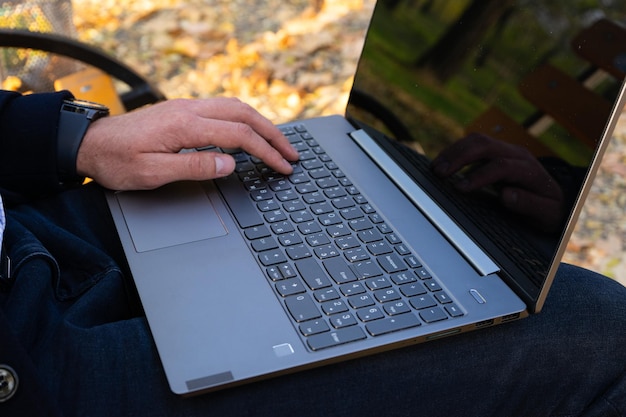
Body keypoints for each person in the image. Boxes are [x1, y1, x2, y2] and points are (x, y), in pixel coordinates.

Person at [1, 89, 626, 417]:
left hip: (28, 229)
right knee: (604, 331)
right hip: (37, 375)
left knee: (286, 166)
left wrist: (71, 138)